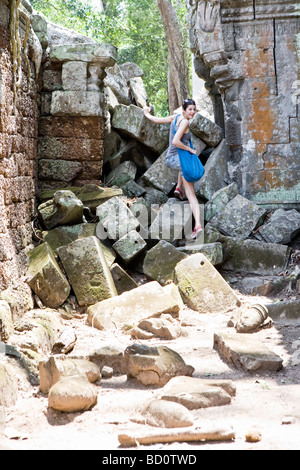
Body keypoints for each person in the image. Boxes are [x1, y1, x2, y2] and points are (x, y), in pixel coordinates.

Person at [143, 99, 202, 240]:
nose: (192, 112)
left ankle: (178, 188)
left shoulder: (175, 117)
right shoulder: (185, 122)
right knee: (192, 194)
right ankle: (198, 225)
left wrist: (146, 113)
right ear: (184, 110)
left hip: (173, 159)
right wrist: (190, 150)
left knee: (184, 173)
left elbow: (157, 120)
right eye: (190, 110)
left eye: (194, 109)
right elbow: (176, 141)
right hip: (176, 159)